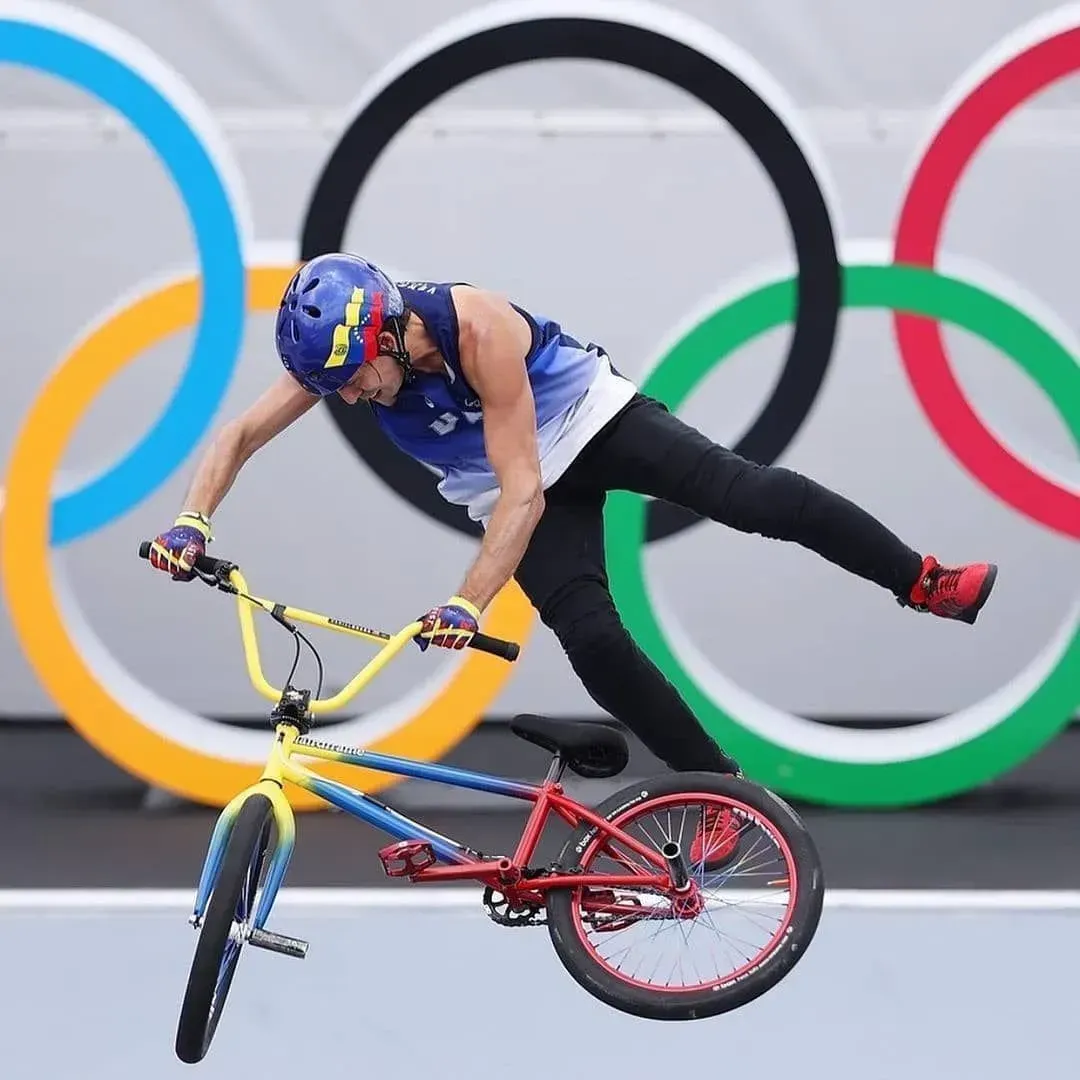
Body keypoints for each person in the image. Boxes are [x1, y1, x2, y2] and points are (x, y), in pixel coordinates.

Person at [147, 252, 997, 866]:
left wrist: (470, 602)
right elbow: (240, 434)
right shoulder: (336, 352)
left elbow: (527, 491)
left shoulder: (477, 327)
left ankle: (924, 581)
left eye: (360, 378)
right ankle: (721, 791)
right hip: (503, 482)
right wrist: (193, 520)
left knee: (748, 496)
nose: (355, 397)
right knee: (592, 639)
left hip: (588, 425)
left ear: (392, 333)